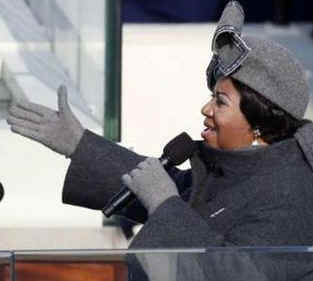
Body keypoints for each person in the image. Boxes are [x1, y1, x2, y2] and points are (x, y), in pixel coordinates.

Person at [6, 1, 313, 280]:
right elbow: (180, 190)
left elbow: (229, 274)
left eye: (220, 102)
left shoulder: (289, 197)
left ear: (258, 121)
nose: (206, 109)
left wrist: (165, 206)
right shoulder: (245, 169)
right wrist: (80, 144)